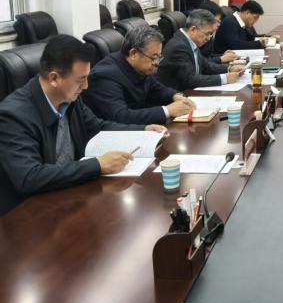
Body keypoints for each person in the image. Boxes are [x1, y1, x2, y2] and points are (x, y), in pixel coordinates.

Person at [0, 35, 168, 216]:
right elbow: (29, 177)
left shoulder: (69, 97)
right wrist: (97, 165)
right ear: (54, 78)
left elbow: (96, 126)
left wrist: (143, 130)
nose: (86, 86)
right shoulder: (13, 115)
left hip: (69, 195)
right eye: (81, 80)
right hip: (30, 213)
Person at [83, 26, 195, 124]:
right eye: (154, 57)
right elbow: (120, 116)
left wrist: (175, 96)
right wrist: (167, 111)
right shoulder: (105, 76)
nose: (157, 63)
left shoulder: (139, 66)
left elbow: (157, 88)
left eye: (159, 57)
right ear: (133, 54)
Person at [156, 9, 245, 92]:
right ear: (193, 29)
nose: (209, 38)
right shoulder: (179, 47)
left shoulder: (189, 41)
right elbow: (190, 79)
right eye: (207, 34)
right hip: (177, 96)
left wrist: (230, 68)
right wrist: (224, 78)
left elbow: (206, 66)